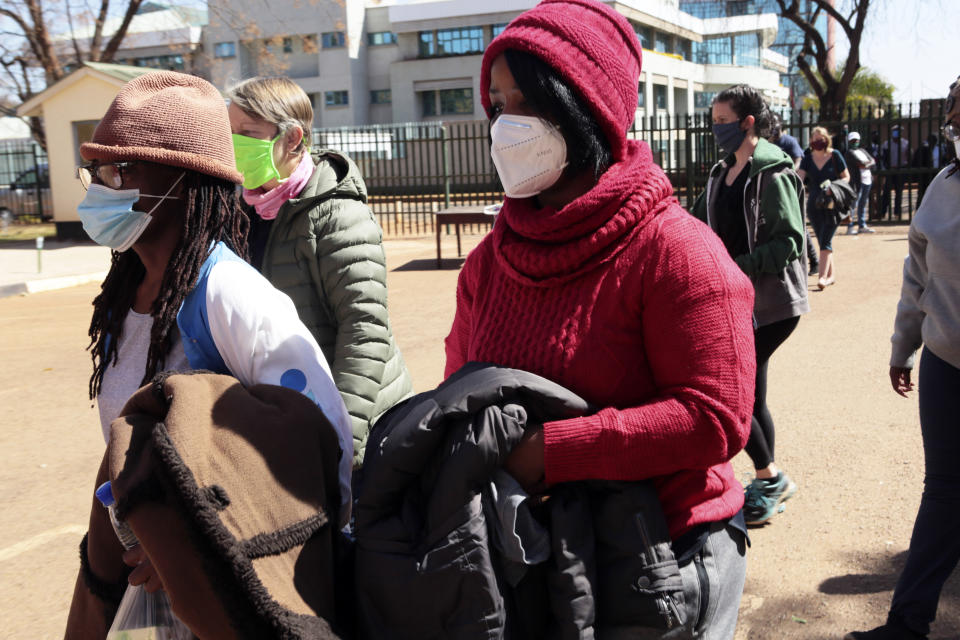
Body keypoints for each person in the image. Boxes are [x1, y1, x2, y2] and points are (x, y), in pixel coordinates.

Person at [443, 0, 756, 635]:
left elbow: (714, 419)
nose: (506, 124)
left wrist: (551, 453)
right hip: (540, 562)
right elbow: (460, 395)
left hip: (663, 563)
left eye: (526, 101)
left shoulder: (676, 249)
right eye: (498, 104)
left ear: (586, 106)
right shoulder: (490, 261)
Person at [77, 71, 354, 574]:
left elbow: (321, 445)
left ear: (182, 181)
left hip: (225, 581)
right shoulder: (124, 295)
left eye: (118, 170)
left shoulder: (230, 294)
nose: (99, 187)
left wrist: (202, 551)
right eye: (93, 171)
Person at [226, 76, 413, 466]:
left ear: (292, 138)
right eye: (230, 132)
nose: (235, 145)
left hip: (358, 425)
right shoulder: (241, 210)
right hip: (288, 417)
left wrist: (341, 439)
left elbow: (365, 331)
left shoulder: (338, 213)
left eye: (248, 133)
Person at [845, 76, 960, 640]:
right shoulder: (941, 187)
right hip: (946, 360)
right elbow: (917, 276)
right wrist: (903, 347)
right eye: (958, 117)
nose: (958, 128)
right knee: (944, 489)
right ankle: (906, 623)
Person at [693, 85, 809, 526]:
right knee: (750, 397)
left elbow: (790, 242)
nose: (715, 127)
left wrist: (733, 266)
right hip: (736, 301)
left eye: (723, 120)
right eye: (713, 119)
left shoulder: (772, 172)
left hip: (771, 306)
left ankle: (770, 477)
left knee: (733, 397)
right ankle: (769, 478)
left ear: (748, 122)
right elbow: (692, 218)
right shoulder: (722, 172)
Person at [797, 126, 850, 290]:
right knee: (822, 240)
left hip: (832, 204)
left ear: (827, 139)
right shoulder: (807, 158)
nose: (818, 142)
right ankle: (831, 275)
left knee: (826, 240)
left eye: (821, 139)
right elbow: (799, 177)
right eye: (815, 139)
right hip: (814, 205)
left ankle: (822, 278)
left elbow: (846, 177)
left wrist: (833, 187)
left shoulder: (835, 155)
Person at [769, 114, 819, 276]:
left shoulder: (789, 141)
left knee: (798, 225)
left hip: (789, 187)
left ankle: (814, 260)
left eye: (775, 126)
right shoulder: (768, 143)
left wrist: (790, 171)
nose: (773, 130)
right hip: (773, 188)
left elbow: (799, 159)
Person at [845, 131, 877, 235]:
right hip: (857, 182)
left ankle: (862, 225)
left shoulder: (862, 150)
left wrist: (868, 164)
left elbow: (872, 160)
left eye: (856, 140)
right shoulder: (849, 153)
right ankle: (850, 227)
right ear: (849, 141)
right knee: (854, 204)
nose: (855, 142)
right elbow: (861, 164)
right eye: (853, 141)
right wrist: (868, 164)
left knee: (863, 203)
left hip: (867, 180)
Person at [880, 124, 910, 220]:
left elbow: (909, 157)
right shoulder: (886, 143)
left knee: (899, 193)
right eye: (896, 131)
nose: (897, 133)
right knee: (886, 193)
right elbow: (883, 158)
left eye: (899, 131)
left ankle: (897, 213)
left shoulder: (905, 143)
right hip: (890, 170)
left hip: (900, 170)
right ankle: (883, 212)